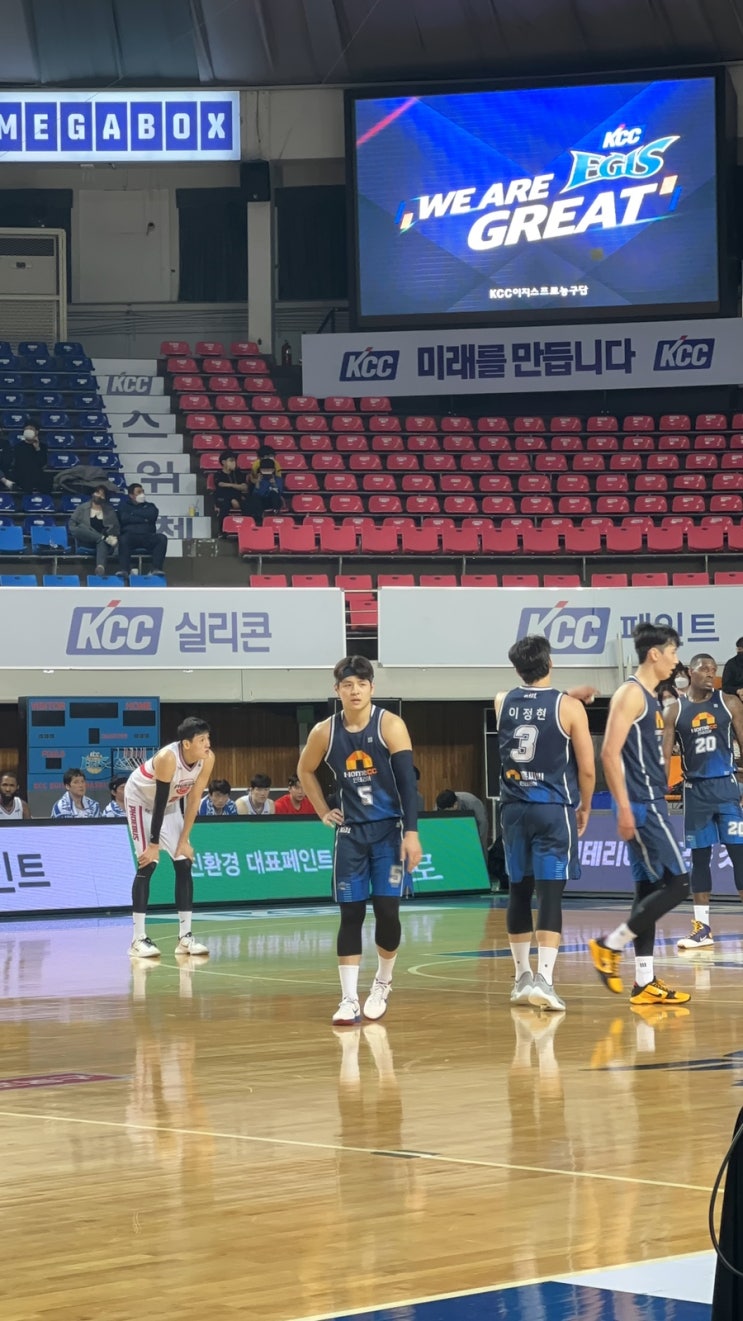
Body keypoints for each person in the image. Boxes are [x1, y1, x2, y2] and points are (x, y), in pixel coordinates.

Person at [298, 655, 423, 1025]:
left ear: (372, 688)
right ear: (337, 690)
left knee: (387, 911)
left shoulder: (391, 725)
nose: (355, 691)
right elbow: (305, 769)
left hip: (389, 833)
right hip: (351, 834)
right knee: (350, 913)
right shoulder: (324, 731)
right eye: (348, 685)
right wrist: (322, 810)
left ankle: (383, 981)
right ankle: (349, 999)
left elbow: (408, 784)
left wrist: (412, 832)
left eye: (362, 684)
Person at [589, 622, 691, 1006]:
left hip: (647, 801)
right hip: (642, 803)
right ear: (655, 653)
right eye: (673, 653)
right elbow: (608, 753)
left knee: (648, 889)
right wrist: (624, 808)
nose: (676, 661)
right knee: (678, 884)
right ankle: (609, 945)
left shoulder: (649, 695)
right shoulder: (631, 694)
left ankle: (644, 982)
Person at [495, 634, 595, 1013]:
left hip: (513, 810)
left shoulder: (502, 700)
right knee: (550, 895)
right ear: (550, 663)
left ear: (516, 668)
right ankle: (545, 981)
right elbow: (587, 769)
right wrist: (585, 807)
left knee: (518, 892)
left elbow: (532, 704)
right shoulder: (570, 708)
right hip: (553, 809)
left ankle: (522, 978)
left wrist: (566, 695)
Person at [663, 653, 743, 949]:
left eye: (714, 669)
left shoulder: (729, 702)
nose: (711, 673)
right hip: (695, 792)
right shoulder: (674, 709)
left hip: (726, 789)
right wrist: (658, 791)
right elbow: (665, 756)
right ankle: (702, 930)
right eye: (705, 669)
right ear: (690, 672)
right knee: (699, 859)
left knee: (740, 855)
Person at [124, 716, 214, 958]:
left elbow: (193, 801)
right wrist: (153, 845)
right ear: (186, 743)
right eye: (202, 740)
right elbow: (159, 801)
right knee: (148, 863)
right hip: (141, 802)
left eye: (208, 739)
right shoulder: (168, 758)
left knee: (184, 862)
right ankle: (137, 940)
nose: (207, 744)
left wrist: (184, 841)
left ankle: (185, 938)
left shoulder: (207, 759)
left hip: (171, 805)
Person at [117, 483, 167, 581]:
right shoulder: (124, 506)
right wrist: (144, 518)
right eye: (139, 492)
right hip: (131, 537)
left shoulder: (150, 506)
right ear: (131, 495)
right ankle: (124, 570)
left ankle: (156, 569)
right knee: (123, 539)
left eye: (143, 491)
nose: (142, 494)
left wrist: (133, 514)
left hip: (147, 536)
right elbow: (124, 518)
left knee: (161, 538)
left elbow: (152, 515)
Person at [69, 484, 120, 576]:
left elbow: (115, 528)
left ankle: (100, 568)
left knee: (101, 541)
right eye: (97, 493)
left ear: (105, 497)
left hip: (103, 542)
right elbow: (72, 525)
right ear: (93, 494)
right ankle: (102, 538)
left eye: (102, 494)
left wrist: (109, 534)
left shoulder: (109, 510)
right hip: (85, 539)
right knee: (82, 528)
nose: (99, 495)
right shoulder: (82, 508)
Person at [435, 788, 489, 855]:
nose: (444, 813)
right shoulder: (440, 806)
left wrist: (477, 845)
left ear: (455, 805)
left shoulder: (473, 803)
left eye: (446, 811)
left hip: (474, 829)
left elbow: (483, 824)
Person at [11, 425, 54, 495]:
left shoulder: (42, 446)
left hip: (36, 473)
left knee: (47, 478)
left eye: (31, 429)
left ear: (36, 432)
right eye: (26, 429)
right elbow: (20, 463)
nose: (28, 431)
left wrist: (37, 449)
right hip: (22, 473)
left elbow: (42, 463)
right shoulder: (18, 446)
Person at [213, 454, 253, 528]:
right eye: (231, 461)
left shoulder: (238, 473)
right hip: (223, 498)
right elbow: (221, 484)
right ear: (224, 462)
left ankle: (247, 527)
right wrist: (232, 497)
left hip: (237, 497)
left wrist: (230, 485)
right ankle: (222, 530)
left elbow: (244, 487)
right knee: (224, 506)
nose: (234, 463)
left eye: (234, 461)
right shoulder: (218, 474)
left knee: (249, 505)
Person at [246, 453, 284, 524]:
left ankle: (275, 512)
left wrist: (274, 484)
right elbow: (256, 494)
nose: (266, 471)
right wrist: (257, 482)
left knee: (273, 493)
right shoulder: (259, 479)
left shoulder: (278, 479)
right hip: (262, 502)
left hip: (273, 501)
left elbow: (279, 493)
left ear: (273, 470)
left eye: (268, 469)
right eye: (264, 469)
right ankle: (259, 517)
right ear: (260, 470)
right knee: (254, 497)